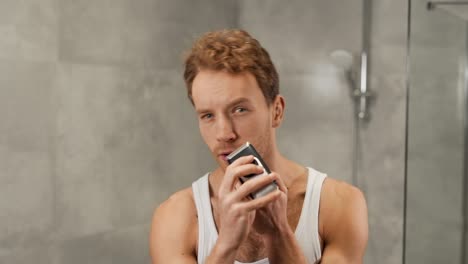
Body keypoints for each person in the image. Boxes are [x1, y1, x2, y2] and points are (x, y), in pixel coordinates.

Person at [150, 29, 368, 264]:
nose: (224, 134)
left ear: (277, 111)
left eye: (239, 110)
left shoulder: (338, 204)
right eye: (208, 116)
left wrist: (278, 231)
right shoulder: (175, 216)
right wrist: (226, 245)